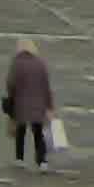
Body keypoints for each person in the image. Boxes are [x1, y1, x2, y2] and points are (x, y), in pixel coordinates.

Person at [4, 37, 56, 169]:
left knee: (20, 132)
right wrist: (50, 106)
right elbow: (46, 86)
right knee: (38, 133)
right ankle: (42, 161)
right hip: (39, 105)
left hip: (21, 104)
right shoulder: (40, 63)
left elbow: (10, 83)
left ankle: (20, 159)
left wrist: (11, 98)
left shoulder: (17, 63)